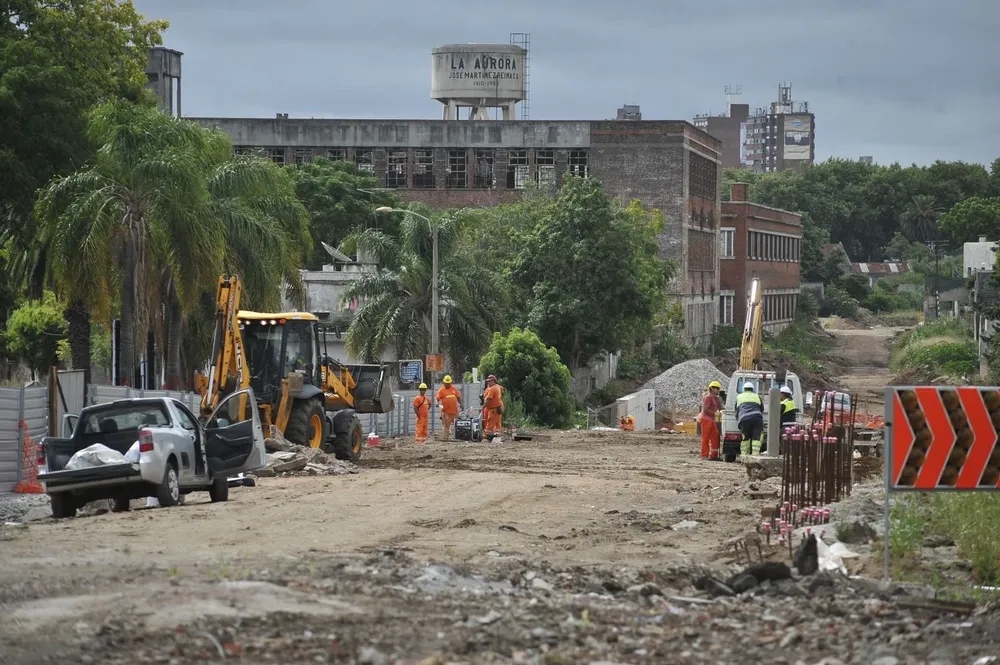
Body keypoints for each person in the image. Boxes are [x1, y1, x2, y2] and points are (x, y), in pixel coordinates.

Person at [736, 382, 765, 456]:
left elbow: (736, 409)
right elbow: (762, 409)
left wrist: (738, 419)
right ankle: (755, 455)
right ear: (752, 389)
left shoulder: (739, 396)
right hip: (757, 418)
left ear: (744, 389)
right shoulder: (757, 396)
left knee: (745, 438)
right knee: (756, 438)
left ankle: (744, 456)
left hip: (744, 419)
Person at [699, 380, 723, 461]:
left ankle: (714, 455)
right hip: (706, 419)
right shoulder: (708, 397)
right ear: (711, 388)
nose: (717, 389)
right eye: (715, 388)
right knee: (705, 437)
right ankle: (704, 455)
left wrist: (719, 401)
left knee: (715, 436)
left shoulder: (715, 398)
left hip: (711, 420)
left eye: (718, 388)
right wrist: (715, 414)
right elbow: (705, 409)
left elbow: (720, 408)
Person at [435, 375, 463, 441]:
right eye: (446, 383)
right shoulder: (441, 390)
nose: (447, 384)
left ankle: (460, 437)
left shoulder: (454, 389)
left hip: (454, 412)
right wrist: (437, 403)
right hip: (446, 412)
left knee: (459, 425)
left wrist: (462, 404)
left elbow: (458, 397)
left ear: (451, 382)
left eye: (448, 383)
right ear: (444, 383)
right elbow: (437, 398)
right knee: (446, 426)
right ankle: (445, 438)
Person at [482, 374, 504, 440]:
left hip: (494, 409)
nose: (488, 382)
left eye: (490, 381)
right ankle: (497, 437)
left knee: (490, 425)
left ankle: (486, 438)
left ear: (494, 381)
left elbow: (488, 400)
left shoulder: (493, 389)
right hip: (499, 407)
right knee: (497, 425)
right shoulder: (498, 387)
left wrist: (482, 407)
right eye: (488, 381)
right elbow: (502, 390)